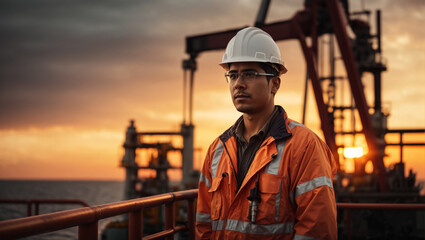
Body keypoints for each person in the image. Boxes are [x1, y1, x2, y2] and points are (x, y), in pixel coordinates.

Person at [195, 27, 337, 240]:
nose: (239, 84)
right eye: (233, 75)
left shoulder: (305, 146)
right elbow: (203, 225)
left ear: (275, 84)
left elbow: (317, 230)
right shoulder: (217, 149)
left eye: (250, 74)